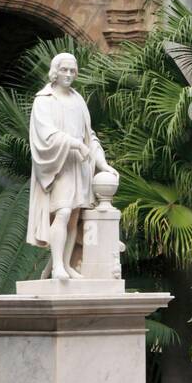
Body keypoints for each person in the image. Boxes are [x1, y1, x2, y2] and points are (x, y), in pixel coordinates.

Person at [27, 52, 114, 280]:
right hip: (59, 166)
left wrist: (102, 164)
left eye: (72, 71)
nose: (68, 74)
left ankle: (65, 264)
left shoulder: (77, 100)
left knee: (75, 215)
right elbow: (46, 136)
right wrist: (75, 144)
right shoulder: (44, 100)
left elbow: (89, 136)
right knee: (63, 212)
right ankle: (56, 266)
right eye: (64, 70)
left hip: (80, 166)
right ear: (54, 72)